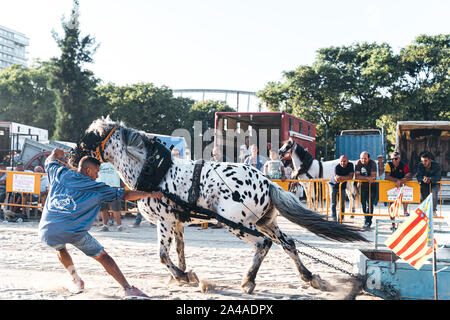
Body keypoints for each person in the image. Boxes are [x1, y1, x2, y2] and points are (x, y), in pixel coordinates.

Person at [38, 148, 163, 299]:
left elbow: (48, 162)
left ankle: (76, 280)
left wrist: (54, 153)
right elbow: (125, 194)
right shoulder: (97, 188)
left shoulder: (60, 173)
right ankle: (127, 288)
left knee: (60, 248)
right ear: (88, 170)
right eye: (96, 172)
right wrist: (149, 194)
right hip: (74, 231)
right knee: (103, 257)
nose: (97, 176)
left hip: (47, 230)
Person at [96, 162, 124, 232]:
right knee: (104, 209)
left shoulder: (115, 164)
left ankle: (119, 226)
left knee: (115, 209)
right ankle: (105, 226)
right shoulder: (99, 165)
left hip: (111, 187)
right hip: (104, 187)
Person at [384, 151, 412, 216]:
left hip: (401, 184)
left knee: (405, 197)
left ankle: (405, 211)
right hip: (391, 185)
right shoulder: (388, 164)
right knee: (391, 204)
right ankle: (393, 224)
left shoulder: (403, 165)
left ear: (399, 158)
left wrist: (401, 181)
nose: (393, 160)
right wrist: (398, 180)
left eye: (395, 159)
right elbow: (387, 177)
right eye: (392, 159)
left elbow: (409, 175)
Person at [355, 151, 377, 229]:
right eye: (362, 158)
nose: (363, 160)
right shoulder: (358, 163)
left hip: (372, 187)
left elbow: (373, 176)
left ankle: (368, 222)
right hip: (362, 187)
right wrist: (367, 178)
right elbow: (357, 176)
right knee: (363, 204)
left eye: (365, 158)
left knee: (370, 204)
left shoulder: (373, 163)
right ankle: (366, 219)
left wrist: (364, 178)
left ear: (369, 158)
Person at [330, 155, 354, 222]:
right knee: (333, 203)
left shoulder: (350, 165)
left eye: (344, 161)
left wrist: (342, 178)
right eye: (341, 161)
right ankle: (334, 218)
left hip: (343, 186)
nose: (343, 163)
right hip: (334, 185)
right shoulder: (337, 167)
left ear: (347, 161)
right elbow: (337, 179)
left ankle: (341, 218)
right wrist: (346, 177)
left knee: (342, 203)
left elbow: (351, 177)